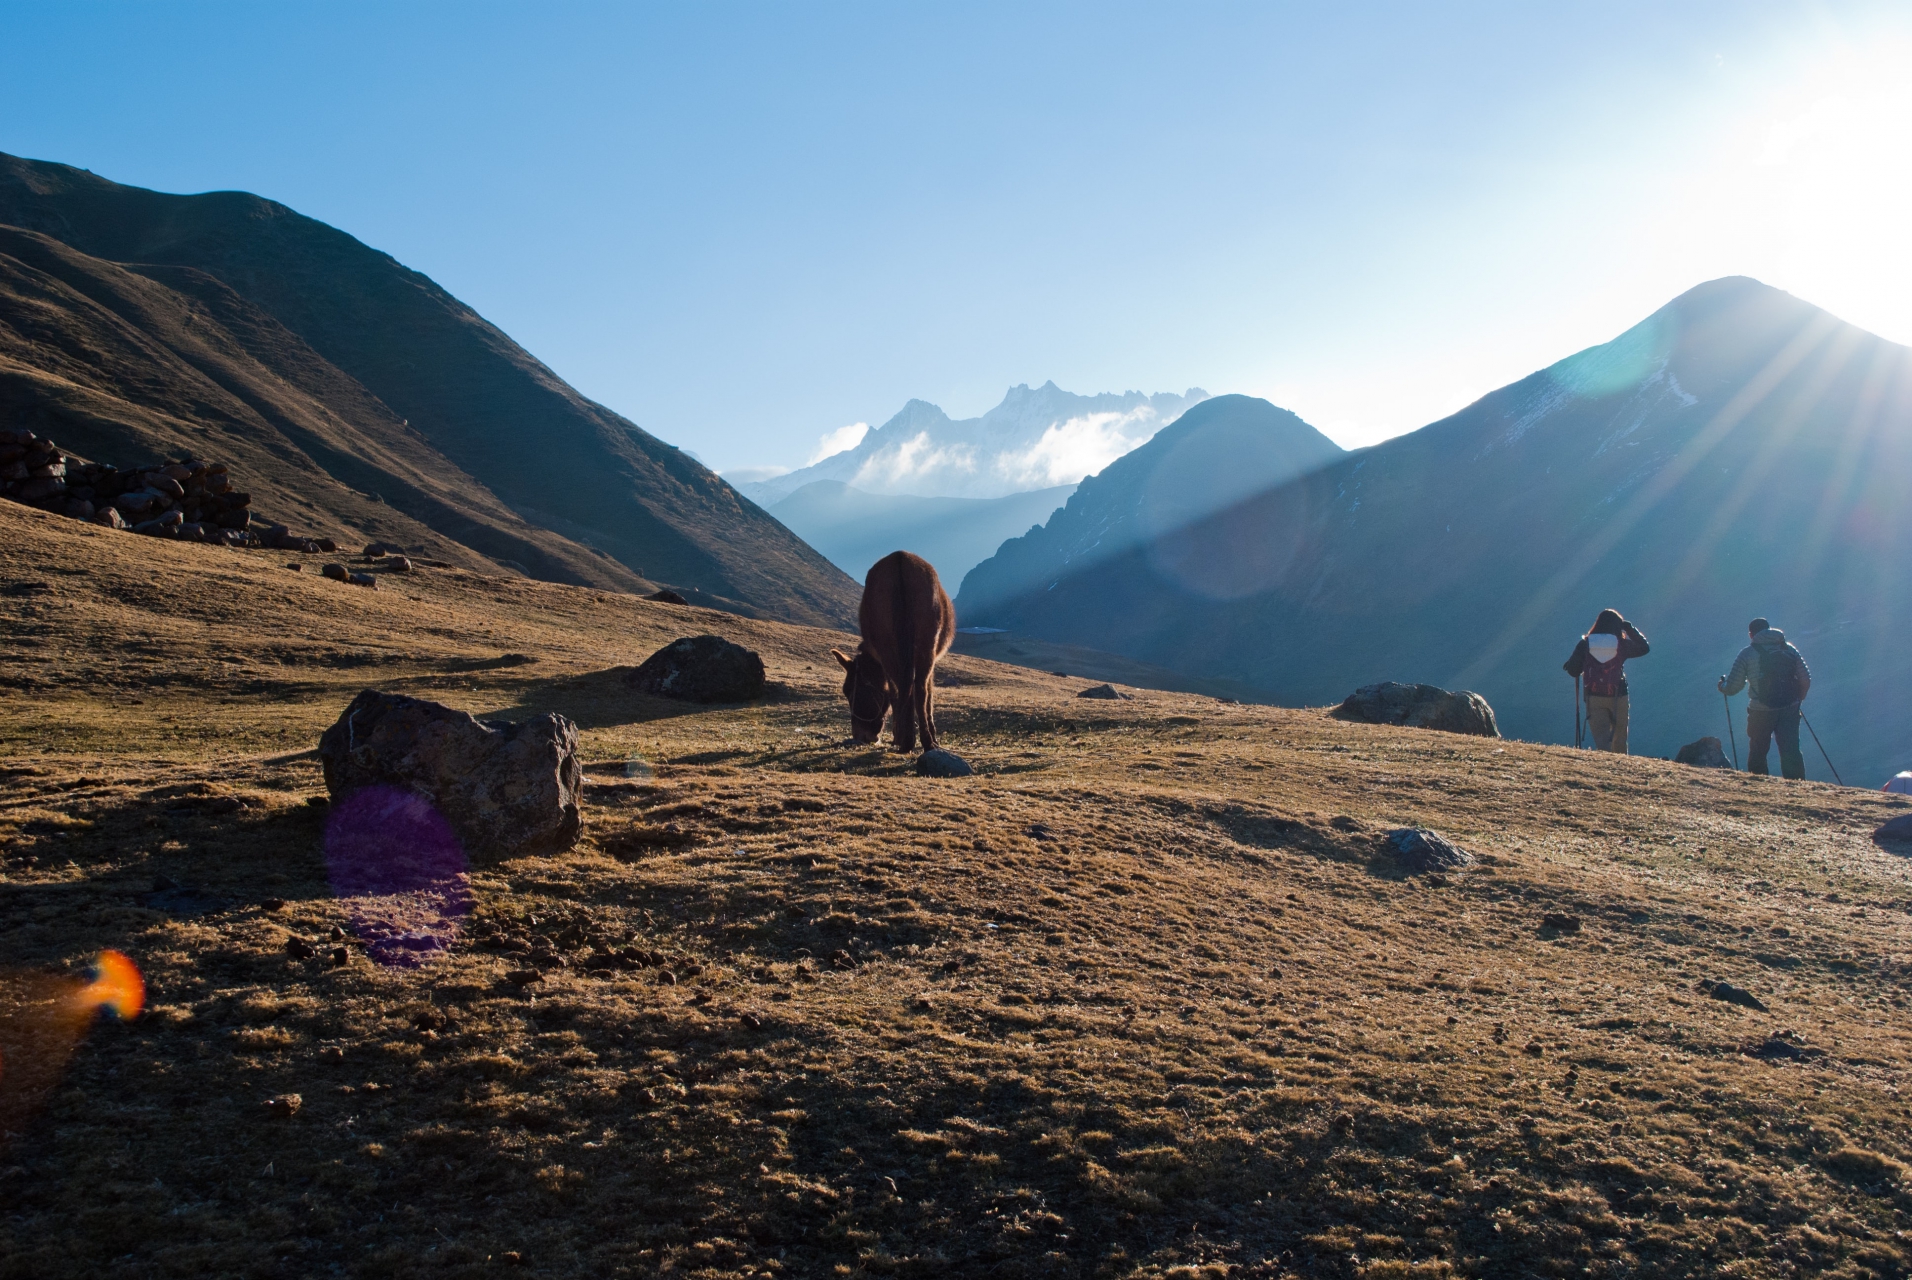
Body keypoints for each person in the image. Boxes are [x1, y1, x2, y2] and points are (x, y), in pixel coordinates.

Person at [1718, 617, 1811, 780]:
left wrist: (1722, 686)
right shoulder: (1789, 649)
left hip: (1761, 710)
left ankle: (1759, 785)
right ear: (1769, 629)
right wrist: (1798, 700)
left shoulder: (1747, 654)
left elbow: (1733, 687)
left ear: (1751, 634)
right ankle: (1797, 787)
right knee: (1791, 750)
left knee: (1758, 750)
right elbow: (1805, 679)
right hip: (1789, 708)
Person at [1563, 608, 1650, 753]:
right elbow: (1644, 648)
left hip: (1594, 696)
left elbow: (1573, 671)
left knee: (1602, 740)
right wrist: (1629, 628)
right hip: (1619, 695)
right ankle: (1622, 770)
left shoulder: (1585, 644)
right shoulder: (1621, 645)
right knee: (1620, 738)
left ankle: (1606, 769)